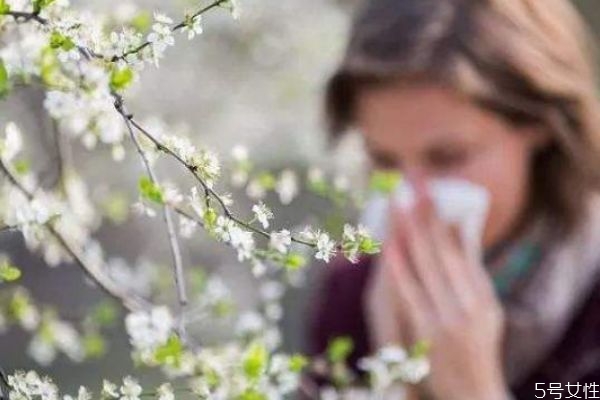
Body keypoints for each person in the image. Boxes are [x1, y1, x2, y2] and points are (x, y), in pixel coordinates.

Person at [306, 0, 600, 398]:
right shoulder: (354, 290)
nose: (411, 197)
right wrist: (394, 382)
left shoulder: (587, 308)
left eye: (447, 158)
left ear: (538, 122)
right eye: (384, 161)